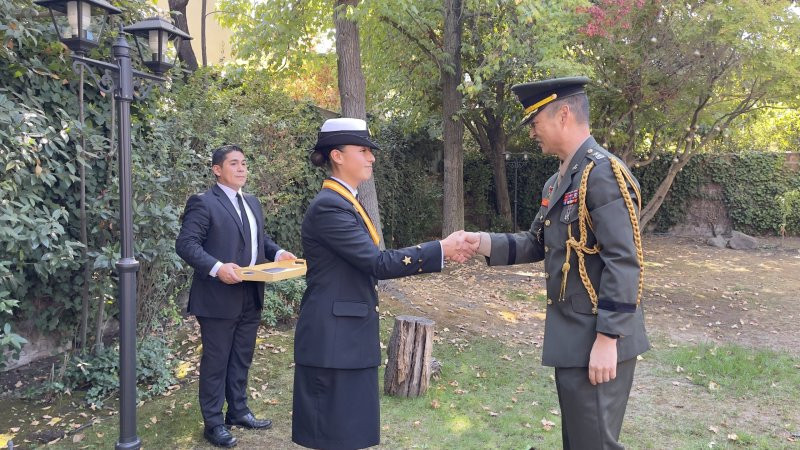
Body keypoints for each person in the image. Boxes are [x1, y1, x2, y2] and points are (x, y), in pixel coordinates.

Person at [466, 77, 649, 449]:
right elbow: (535, 244)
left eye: (535, 122)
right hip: (573, 339)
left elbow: (624, 260)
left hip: (597, 340)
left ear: (563, 114)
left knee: (594, 443)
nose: (532, 131)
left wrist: (607, 338)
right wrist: (479, 243)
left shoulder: (603, 174)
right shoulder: (559, 181)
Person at [291, 118, 476, 449]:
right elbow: (377, 262)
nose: (371, 158)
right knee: (334, 438)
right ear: (337, 155)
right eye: (362, 150)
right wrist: (440, 249)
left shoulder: (345, 201)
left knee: (349, 436)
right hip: (333, 342)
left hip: (346, 338)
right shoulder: (330, 207)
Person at [175, 144, 297, 448]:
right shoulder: (203, 203)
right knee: (216, 362)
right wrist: (217, 268)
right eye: (234, 164)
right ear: (217, 170)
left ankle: (238, 411)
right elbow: (186, 244)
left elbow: (259, 239)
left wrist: (279, 252)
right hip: (217, 298)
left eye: (244, 163)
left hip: (251, 293)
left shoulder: (253, 202)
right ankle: (213, 423)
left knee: (242, 357)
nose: (242, 168)